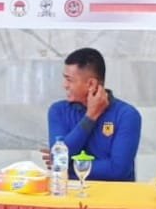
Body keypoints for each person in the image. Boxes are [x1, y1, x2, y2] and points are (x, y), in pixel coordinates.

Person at [44, 47, 142, 181]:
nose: (64, 85)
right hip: (71, 193)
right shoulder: (58, 111)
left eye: (69, 80)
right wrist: (90, 117)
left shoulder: (127, 115)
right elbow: (59, 156)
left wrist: (67, 167)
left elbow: (118, 170)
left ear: (91, 84)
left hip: (113, 194)